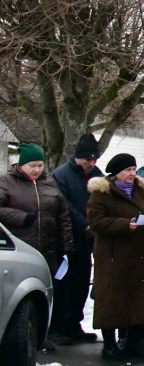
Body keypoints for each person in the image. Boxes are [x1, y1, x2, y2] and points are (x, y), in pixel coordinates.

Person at [0, 143, 74, 349]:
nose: (37, 170)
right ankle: (23, 337)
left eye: (40, 165)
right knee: (25, 296)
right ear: (22, 165)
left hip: (48, 249)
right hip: (21, 247)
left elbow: (63, 215)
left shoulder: (49, 184)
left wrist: (67, 245)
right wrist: (22, 218)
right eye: (32, 165)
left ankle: (45, 333)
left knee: (47, 293)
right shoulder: (6, 183)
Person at [86, 153, 144, 360]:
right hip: (113, 256)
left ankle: (132, 341)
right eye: (127, 170)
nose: (132, 174)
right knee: (111, 300)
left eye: (134, 170)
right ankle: (109, 344)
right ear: (116, 173)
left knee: (135, 299)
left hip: (139, 255)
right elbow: (96, 221)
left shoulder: (140, 191)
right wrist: (124, 224)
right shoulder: (102, 192)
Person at [51, 134, 104, 344]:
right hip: (67, 238)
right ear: (78, 157)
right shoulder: (61, 175)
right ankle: (58, 326)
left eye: (94, 160)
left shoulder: (97, 174)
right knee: (64, 284)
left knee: (81, 283)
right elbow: (64, 205)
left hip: (87, 240)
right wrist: (85, 223)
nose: (91, 164)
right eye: (87, 160)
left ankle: (74, 323)